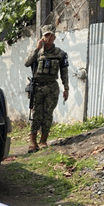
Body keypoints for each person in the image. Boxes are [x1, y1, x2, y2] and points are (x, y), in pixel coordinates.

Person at [24, 24, 69, 153]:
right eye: (46, 35)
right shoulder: (37, 52)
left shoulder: (60, 54)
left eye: (51, 35)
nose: (48, 38)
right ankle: (33, 142)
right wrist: (37, 49)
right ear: (42, 37)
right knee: (36, 114)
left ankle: (43, 140)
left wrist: (66, 88)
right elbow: (26, 63)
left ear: (54, 36)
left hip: (51, 88)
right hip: (38, 87)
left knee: (47, 114)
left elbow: (64, 72)